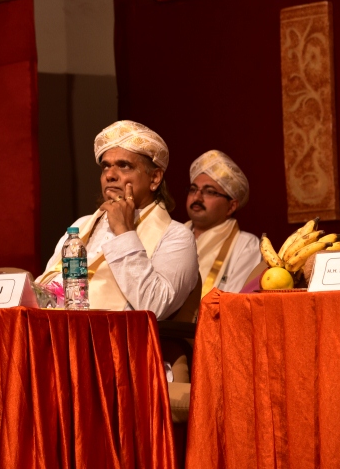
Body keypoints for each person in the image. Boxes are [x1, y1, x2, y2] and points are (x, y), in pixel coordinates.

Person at [38, 120, 199, 319]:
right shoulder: (81, 225)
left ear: (155, 178)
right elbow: (47, 288)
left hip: (117, 336)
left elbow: (154, 307)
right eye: (105, 167)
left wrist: (124, 233)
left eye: (124, 166)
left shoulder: (176, 236)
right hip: (56, 328)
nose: (110, 175)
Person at [186, 150, 261, 295]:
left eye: (209, 191)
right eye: (193, 189)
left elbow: (235, 300)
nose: (197, 197)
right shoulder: (169, 235)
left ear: (231, 206)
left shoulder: (246, 245)